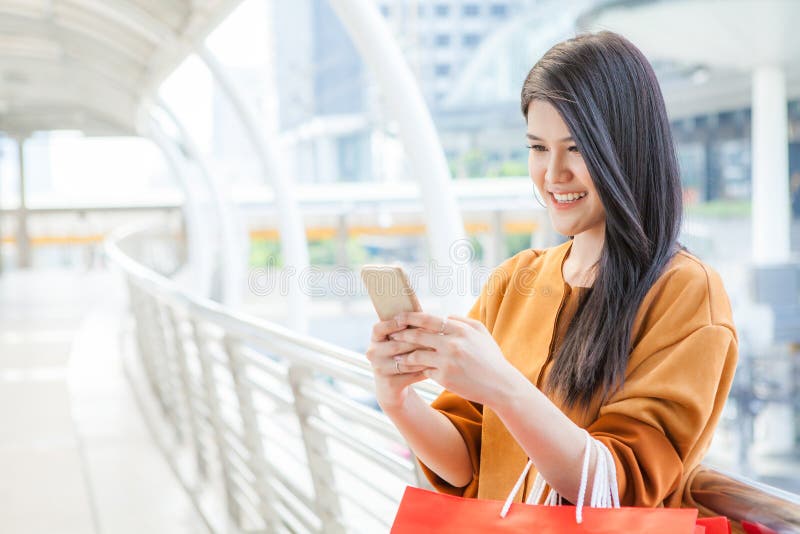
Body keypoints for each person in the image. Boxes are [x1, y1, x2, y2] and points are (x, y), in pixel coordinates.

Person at [365, 31, 737, 509]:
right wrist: (398, 400)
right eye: (538, 148)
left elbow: (619, 488)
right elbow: (469, 465)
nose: (552, 173)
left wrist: (501, 386)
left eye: (577, 148)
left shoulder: (685, 292)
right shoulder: (513, 280)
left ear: (626, 148)